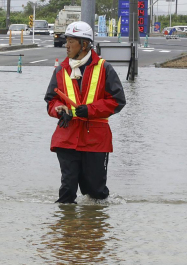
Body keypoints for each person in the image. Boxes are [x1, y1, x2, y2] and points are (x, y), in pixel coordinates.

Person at [44, 20, 127, 204]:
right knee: (66, 192)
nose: (66, 45)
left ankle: (92, 230)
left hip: (95, 139)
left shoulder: (105, 68)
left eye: (71, 41)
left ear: (84, 44)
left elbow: (118, 101)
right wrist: (59, 109)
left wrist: (89, 110)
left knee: (96, 193)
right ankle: (68, 231)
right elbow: (51, 100)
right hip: (67, 136)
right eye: (67, 40)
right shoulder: (61, 70)